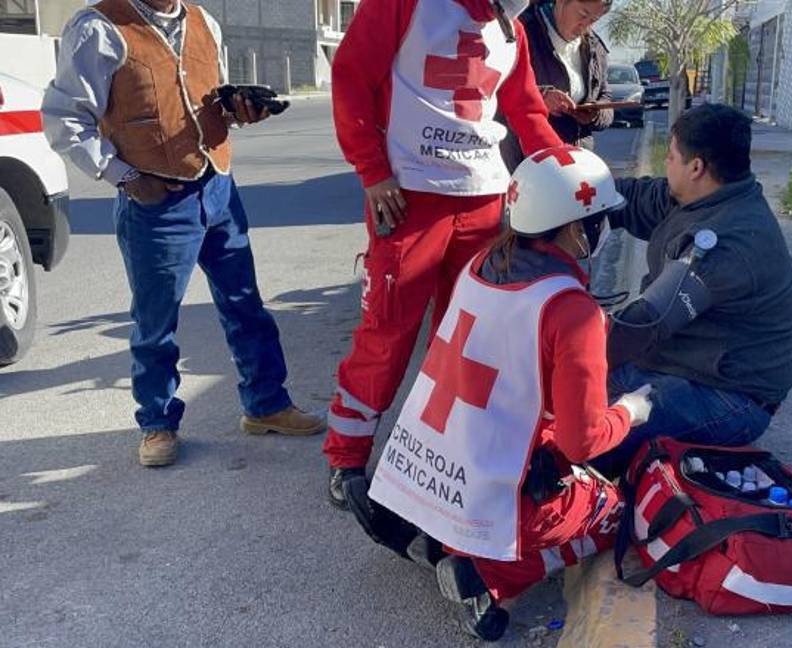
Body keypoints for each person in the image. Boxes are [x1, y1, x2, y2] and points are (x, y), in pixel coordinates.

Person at [342, 146, 653, 641]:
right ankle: (487, 575)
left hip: (427, 468)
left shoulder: (481, 263)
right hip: (496, 487)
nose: (603, 231)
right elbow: (583, 441)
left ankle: (432, 533)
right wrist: (629, 412)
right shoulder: (571, 312)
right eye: (599, 221)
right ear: (576, 229)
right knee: (619, 512)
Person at [41, 0, 325, 467]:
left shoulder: (202, 21)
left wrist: (236, 109)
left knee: (245, 305)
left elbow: (203, 103)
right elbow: (65, 118)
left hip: (217, 187)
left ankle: (267, 404)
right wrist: (125, 177)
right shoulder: (99, 28)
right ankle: (157, 424)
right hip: (154, 199)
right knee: (156, 322)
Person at [323, 0, 565, 507]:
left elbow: (524, 109)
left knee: (465, 340)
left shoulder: (511, 28)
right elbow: (349, 78)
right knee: (386, 332)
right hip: (409, 198)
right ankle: (346, 455)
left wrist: (565, 170)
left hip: (483, 201)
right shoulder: (405, 4)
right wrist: (372, 171)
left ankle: (441, 451)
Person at [594, 104, 792, 475]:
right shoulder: (700, 198)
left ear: (697, 167)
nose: (666, 165)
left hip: (729, 394)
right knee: (563, 396)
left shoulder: (730, 240)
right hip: (679, 362)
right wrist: (573, 193)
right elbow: (632, 198)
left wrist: (559, 342)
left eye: (670, 157)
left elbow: (645, 323)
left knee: (591, 435)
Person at [498, 0, 613, 171]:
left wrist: (596, 113)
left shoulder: (595, 48)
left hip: (575, 168)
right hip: (525, 166)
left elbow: (606, 99)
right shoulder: (518, 32)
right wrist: (541, 98)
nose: (586, 26)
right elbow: (491, 90)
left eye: (594, 20)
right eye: (583, 15)